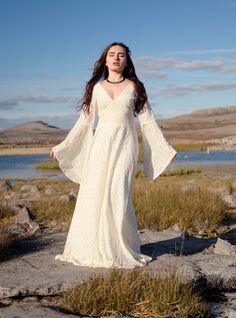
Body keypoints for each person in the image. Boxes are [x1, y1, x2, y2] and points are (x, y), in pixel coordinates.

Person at [50, 42, 177, 268]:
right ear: (105, 60)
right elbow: (84, 122)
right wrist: (63, 146)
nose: (116, 58)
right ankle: (93, 247)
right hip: (101, 146)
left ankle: (119, 248)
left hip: (126, 145)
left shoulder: (136, 86)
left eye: (121, 55)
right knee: (95, 192)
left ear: (126, 61)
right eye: (112, 55)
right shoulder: (96, 88)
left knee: (118, 192)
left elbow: (148, 121)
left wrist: (164, 147)